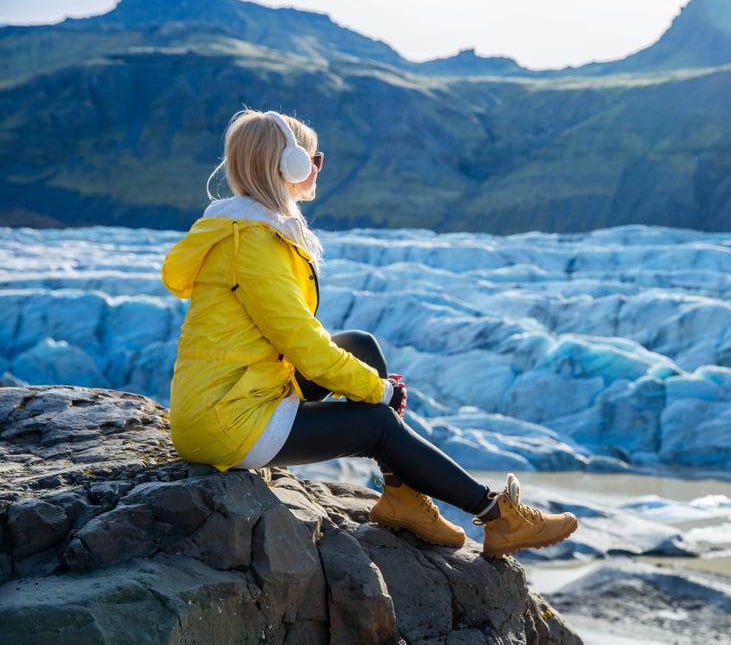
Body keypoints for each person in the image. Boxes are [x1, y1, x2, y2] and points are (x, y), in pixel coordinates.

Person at [161, 108, 577, 557]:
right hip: (227, 422)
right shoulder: (253, 244)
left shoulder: (252, 230)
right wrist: (376, 392)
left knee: (361, 346)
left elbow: (304, 344)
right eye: (313, 159)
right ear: (289, 166)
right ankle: (499, 518)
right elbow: (305, 347)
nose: (318, 168)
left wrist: (369, 381)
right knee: (375, 423)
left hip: (236, 396)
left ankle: (403, 499)